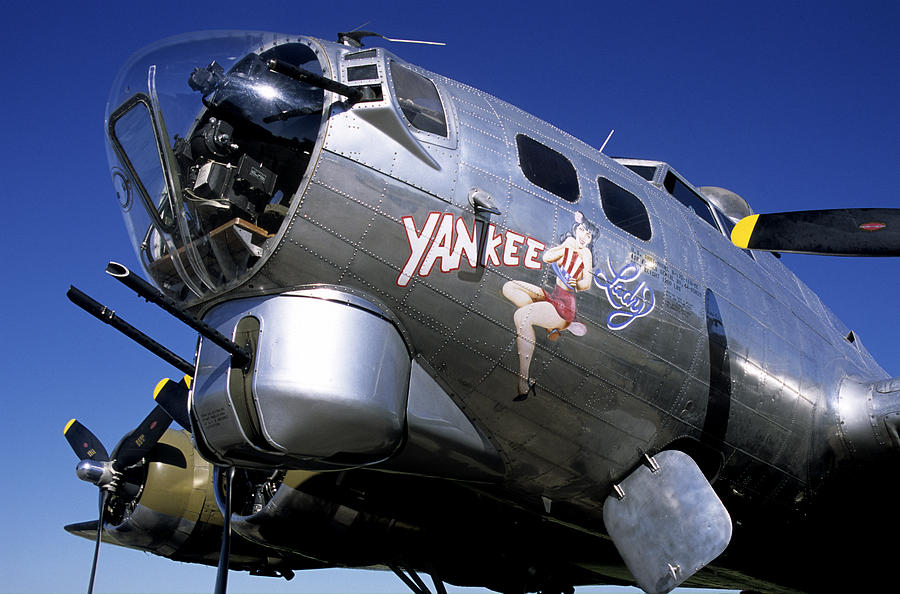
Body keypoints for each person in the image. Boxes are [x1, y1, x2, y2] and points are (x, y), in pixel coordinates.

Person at [502, 212, 595, 401]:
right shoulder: (568, 243)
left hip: (565, 306)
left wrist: (575, 280)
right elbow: (547, 257)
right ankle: (547, 325)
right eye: (582, 230)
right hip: (553, 296)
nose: (584, 237)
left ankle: (523, 380)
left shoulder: (586, 253)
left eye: (589, 235)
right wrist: (566, 248)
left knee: (522, 317)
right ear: (576, 229)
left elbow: (586, 283)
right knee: (509, 287)